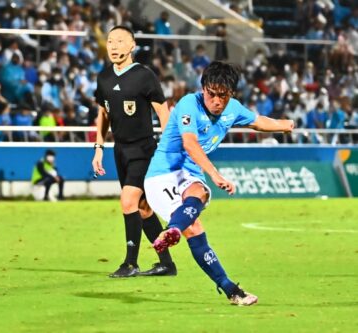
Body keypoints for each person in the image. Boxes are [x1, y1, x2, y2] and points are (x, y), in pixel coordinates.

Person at [144, 61, 294, 305]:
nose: (215, 100)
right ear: (203, 89)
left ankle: (230, 289)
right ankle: (176, 227)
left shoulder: (232, 109)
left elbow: (257, 121)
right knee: (197, 211)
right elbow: (189, 144)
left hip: (190, 178)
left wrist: (283, 125)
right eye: (210, 93)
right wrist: (215, 174)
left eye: (221, 96)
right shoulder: (188, 105)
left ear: (230, 94)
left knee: (198, 203)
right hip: (162, 175)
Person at [91, 26, 176, 278]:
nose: (114, 46)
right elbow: (103, 114)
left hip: (144, 149)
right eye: (110, 41)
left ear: (132, 46)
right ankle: (167, 264)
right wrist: (98, 147)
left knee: (127, 201)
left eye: (120, 41)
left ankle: (130, 263)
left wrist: (168, 150)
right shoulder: (103, 78)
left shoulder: (144, 76)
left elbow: (163, 114)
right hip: (120, 150)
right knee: (142, 208)